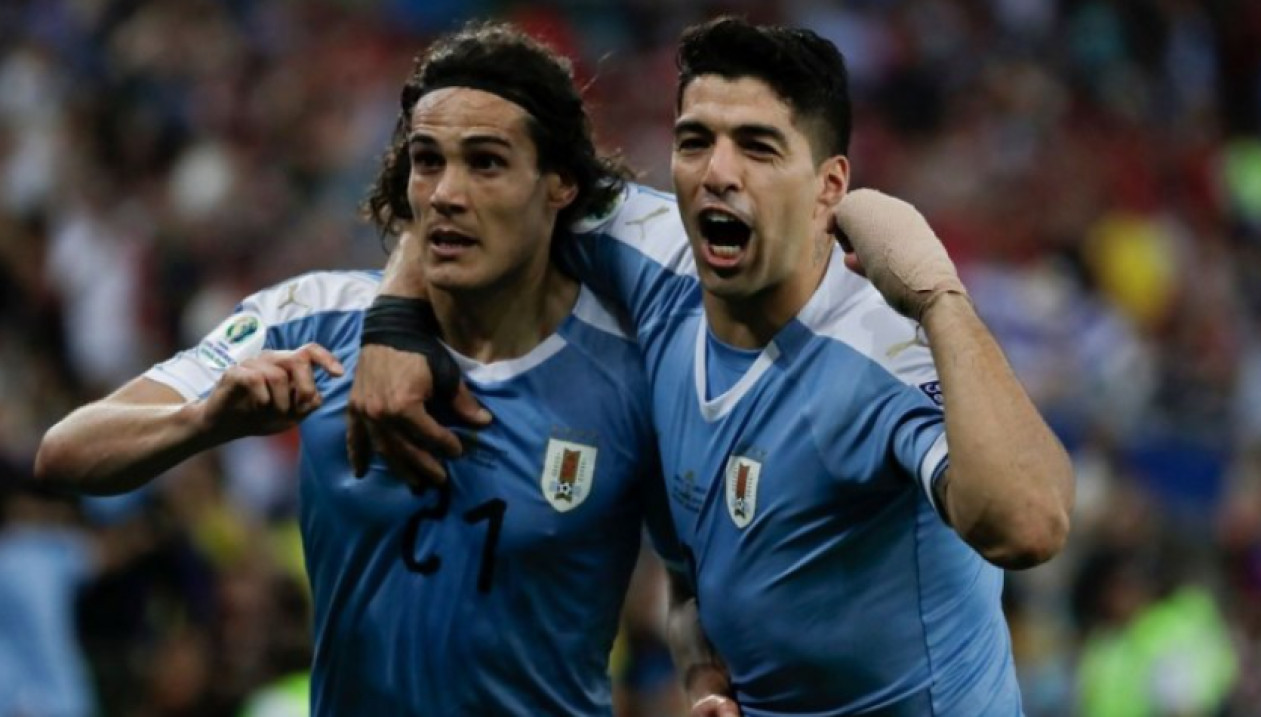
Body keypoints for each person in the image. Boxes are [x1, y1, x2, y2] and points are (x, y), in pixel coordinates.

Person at [349, 17, 1075, 716]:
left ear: (830, 187)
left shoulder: (876, 351)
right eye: (696, 141)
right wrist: (393, 319)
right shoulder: (655, 255)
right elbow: (480, 186)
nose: (717, 172)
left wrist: (942, 299)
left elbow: (1029, 524)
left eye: (758, 147)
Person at [34, 23, 677, 715]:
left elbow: (696, 579)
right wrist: (203, 419)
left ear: (559, 185)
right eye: (428, 162)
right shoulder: (310, 316)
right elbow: (67, 453)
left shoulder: (633, 370)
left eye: (486, 162)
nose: (446, 194)